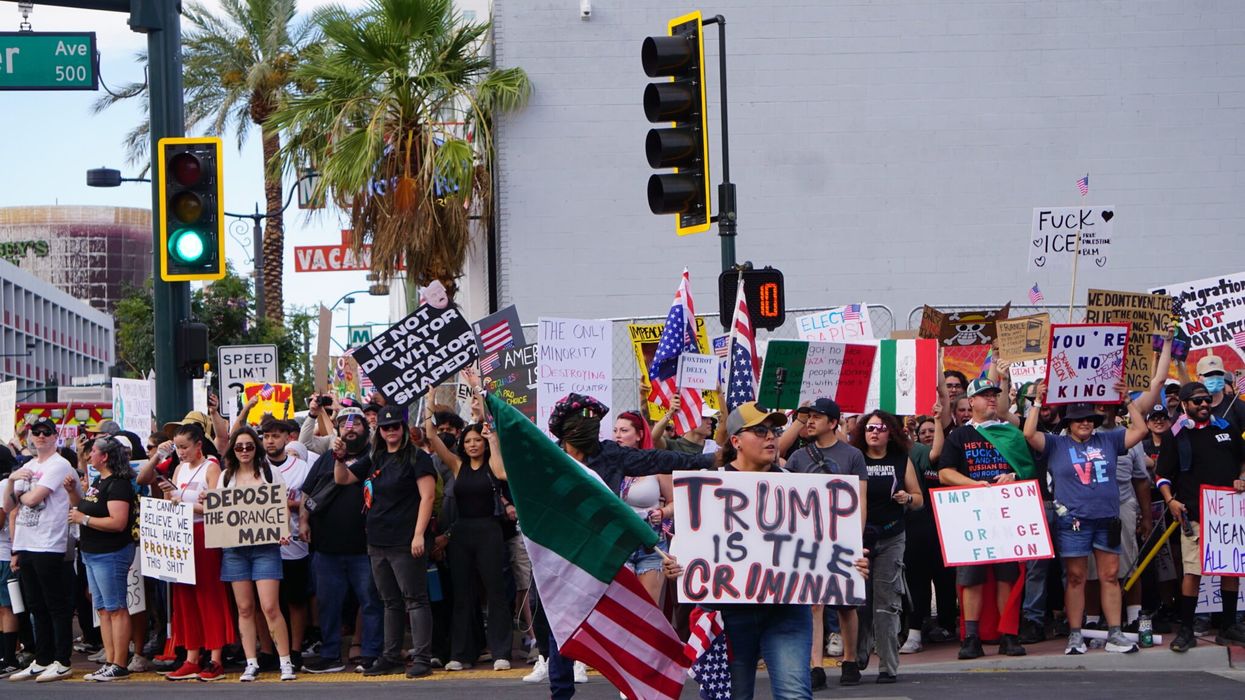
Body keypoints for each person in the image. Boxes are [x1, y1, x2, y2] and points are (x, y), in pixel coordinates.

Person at [660, 402, 871, 700]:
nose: (770, 437)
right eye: (759, 431)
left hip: (785, 612)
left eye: (773, 430)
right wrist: (676, 568)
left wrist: (851, 564)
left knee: (794, 695)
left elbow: (823, 547)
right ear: (736, 441)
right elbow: (686, 550)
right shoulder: (707, 485)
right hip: (726, 614)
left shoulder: (799, 488)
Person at [540, 392, 714, 699]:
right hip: (565, 555)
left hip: (607, 553)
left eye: (594, 422)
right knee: (560, 625)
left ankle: (638, 684)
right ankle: (562, 693)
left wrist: (711, 460)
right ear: (564, 429)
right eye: (581, 422)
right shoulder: (547, 460)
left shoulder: (610, 454)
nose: (589, 427)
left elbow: (659, 459)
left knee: (635, 616)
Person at [1024, 389, 1152, 655]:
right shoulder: (1056, 444)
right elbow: (1028, 434)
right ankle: (1074, 635)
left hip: (1106, 517)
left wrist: (1127, 401)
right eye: (1079, 419)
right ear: (1068, 422)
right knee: (1075, 577)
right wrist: (1037, 402)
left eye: (1090, 419)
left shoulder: (1109, 440)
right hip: (1072, 520)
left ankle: (1115, 634)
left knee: (1109, 576)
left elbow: (1140, 430)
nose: (1085, 423)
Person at [334, 405, 436, 678]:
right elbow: (342, 478)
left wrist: (418, 534)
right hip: (378, 540)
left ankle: (422, 658)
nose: (390, 431)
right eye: (385, 427)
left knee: (414, 598)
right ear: (378, 430)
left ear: (403, 429)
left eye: (395, 426)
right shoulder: (376, 457)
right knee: (390, 601)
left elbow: (427, 497)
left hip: (405, 540)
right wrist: (339, 457)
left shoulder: (416, 457)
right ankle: (390, 655)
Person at [423, 387, 513, 672]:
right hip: (461, 535)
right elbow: (431, 437)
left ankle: (500, 651)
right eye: (469, 440)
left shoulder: (493, 464)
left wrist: (493, 439)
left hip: (490, 532)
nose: (473, 444)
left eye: (478, 440)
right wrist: (429, 405)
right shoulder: (457, 465)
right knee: (462, 594)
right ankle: (461, 654)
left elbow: (502, 474)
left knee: (496, 592)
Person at [938, 379, 1028, 660]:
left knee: (1007, 576)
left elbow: (1028, 471)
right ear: (971, 402)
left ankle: (1008, 635)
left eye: (994, 395)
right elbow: (944, 473)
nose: (991, 399)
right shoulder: (959, 436)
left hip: (1006, 514)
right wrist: (974, 485)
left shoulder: (1012, 435)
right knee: (971, 577)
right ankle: (972, 637)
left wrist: (1014, 476)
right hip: (971, 514)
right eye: (984, 395)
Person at [782, 398, 867, 688]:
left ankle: (850, 660)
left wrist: (857, 539)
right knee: (814, 602)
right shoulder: (797, 458)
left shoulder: (852, 455)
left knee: (845, 603)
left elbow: (861, 498)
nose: (810, 421)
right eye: (808, 416)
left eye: (817, 416)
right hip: (809, 538)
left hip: (842, 536)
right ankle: (815, 665)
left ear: (833, 422)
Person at [1156, 381, 1245, 652]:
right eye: (1197, 401)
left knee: (1230, 570)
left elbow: (1244, 460)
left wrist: (1241, 477)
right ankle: (1186, 629)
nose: (1204, 404)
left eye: (1206, 400)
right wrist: (1170, 501)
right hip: (1194, 513)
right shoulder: (1176, 435)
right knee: (1193, 571)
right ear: (1185, 405)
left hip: (1228, 514)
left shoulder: (1227, 429)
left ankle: (1227, 626)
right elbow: (1161, 475)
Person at [300, 408, 383, 674]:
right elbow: (307, 492)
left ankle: (370, 653)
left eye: (356, 423)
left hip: (365, 548)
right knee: (328, 605)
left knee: (370, 602)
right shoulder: (325, 459)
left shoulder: (375, 458)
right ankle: (330, 654)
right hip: (327, 549)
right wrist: (303, 521)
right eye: (345, 424)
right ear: (337, 430)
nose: (351, 428)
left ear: (366, 428)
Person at [2, 417, 79, 682]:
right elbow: (9, 506)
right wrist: (12, 482)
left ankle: (62, 659)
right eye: (37, 433)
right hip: (26, 540)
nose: (41, 437)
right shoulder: (30, 465)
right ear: (30, 437)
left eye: (47, 433)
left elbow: (33, 499)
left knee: (55, 604)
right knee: (36, 605)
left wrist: (18, 492)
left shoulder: (59, 464)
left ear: (56, 436)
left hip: (49, 542)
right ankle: (43, 658)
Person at [849, 410, 923, 682]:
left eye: (880, 428)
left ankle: (887, 666)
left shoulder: (900, 460)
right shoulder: (854, 458)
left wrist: (907, 499)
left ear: (890, 432)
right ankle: (856, 656)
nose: (874, 432)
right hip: (859, 539)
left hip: (892, 537)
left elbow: (919, 499)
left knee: (887, 602)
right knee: (858, 601)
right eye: (869, 427)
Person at [158, 423, 236, 681]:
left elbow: (218, 507)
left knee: (209, 595)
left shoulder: (212, 468)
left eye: (184, 447)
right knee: (184, 598)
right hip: (181, 535)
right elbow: (174, 501)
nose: (180, 452)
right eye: (178, 448)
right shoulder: (179, 468)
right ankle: (192, 656)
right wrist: (172, 500)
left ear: (198, 445)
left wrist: (185, 504)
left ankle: (214, 658)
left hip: (204, 535)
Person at [219, 426, 297, 682]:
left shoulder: (268, 472)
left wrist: (283, 529)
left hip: (265, 548)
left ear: (257, 448)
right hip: (234, 549)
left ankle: (285, 661)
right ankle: (251, 661)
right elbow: (216, 508)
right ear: (233, 449)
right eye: (239, 447)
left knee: (270, 606)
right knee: (244, 608)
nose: (243, 451)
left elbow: (282, 505)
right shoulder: (225, 477)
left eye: (249, 446)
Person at [71, 435, 138, 682]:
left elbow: (118, 522)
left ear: (105, 456)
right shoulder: (100, 480)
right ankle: (110, 659)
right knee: (103, 609)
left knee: (116, 607)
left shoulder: (118, 484)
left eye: (93, 452)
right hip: (92, 552)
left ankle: (120, 662)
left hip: (110, 552)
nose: (89, 456)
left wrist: (84, 520)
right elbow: (85, 506)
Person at [901, 402, 956, 654]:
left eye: (932, 429)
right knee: (916, 579)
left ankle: (946, 625)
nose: (928, 433)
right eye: (922, 430)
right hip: (915, 527)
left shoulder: (927, 452)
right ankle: (914, 630)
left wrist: (936, 418)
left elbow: (935, 453)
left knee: (945, 578)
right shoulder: (905, 453)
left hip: (945, 523)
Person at [261, 419, 311, 669]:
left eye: (275, 435)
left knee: (295, 600)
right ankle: (268, 651)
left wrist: (296, 511)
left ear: (286, 438)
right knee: (265, 603)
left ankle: (295, 649)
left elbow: (311, 499)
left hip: (293, 543)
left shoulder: (301, 467)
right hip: (260, 544)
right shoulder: (256, 466)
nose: (270, 440)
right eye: (266, 436)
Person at [612, 411, 673, 604]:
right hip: (620, 542)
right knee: (622, 609)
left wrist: (663, 512)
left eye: (624, 430)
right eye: (615, 431)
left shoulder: (655, 464)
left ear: (639, 435)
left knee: (648, 609)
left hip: (651, 544)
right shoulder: (609, 464)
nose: (618, 435)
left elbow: (676, 501)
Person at [1192, 355, 1245, 429]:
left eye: (1219, 373)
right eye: (1209, 374)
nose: (1215, 377)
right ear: (1198, 377)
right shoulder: (1191, 406)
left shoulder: (1239, 406)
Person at [652, 397, 718, 454]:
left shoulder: (715, 448)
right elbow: (654, 439)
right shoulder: (674, 446)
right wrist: (670, 413)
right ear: (688, 419)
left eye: (710, 417)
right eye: (704, 417)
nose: (710, 421)